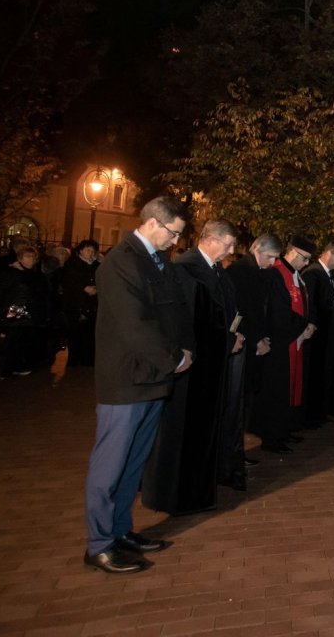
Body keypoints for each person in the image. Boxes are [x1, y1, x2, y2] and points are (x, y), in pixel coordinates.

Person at [82, 196, 193, 574]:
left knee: (132, 464)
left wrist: (183, 349)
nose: (175, 241)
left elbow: (173, 311)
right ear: (153, 223)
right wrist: (173, 358)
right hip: (127, 380)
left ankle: (120, 530)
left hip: (152, 378)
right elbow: (135, 325)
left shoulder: (157, 260)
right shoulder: (120, 262)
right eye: (173, 233)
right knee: (109, 467)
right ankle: (98, 544)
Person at [143, 219, 241, 516]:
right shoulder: (187, 269)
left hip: (211, 367)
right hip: (193, 369)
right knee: (183, 432)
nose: (232, 250)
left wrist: (232, 334)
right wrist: (226, 339)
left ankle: (200, 489)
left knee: (205, 429)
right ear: (211, 240)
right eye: (228, 244)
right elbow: (191, 323)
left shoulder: (213, 269)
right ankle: (179, 496)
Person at [252, 235, 314, 455]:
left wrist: (307, 325)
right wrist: (301, 326)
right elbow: (279, 311)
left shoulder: (295, 274)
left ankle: (285, 429)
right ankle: (272, 436)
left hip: (293, 339)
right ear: (295, 253)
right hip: (279, 342)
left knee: (290, 387)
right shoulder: (277, 273)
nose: (306, 264)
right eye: (304, 258)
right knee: (276, 390)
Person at [228, 233, 281, 466]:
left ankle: (239, 450)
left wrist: (264, 337)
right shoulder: (240, 272)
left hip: (257, 344)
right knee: (237, 403)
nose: (272, 263)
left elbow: (263, 309)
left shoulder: (263, 272)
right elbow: (242, 311)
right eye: (270, 257)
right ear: (257, 249)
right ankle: (233, 452)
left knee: (247, 400)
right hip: (244, 346)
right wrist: (257, 338)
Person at [301, 242, 334, 425]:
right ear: (328, 253)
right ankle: (312, 415)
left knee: (325, 372)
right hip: (318, 335)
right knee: (315, 374)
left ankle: (320, 411)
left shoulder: (329, 274)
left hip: (328, 333)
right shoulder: (313, 273)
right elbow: (313, 306)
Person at [0, 246, 50, 378]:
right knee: (13, 341)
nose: (31, 260)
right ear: (20, 258)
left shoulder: (35, 274)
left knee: (24, 340)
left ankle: (18, 365)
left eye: (33, 257)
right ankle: (8, 370)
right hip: (15, 311)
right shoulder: (10, 273)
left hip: (30, 312)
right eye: (27, 257)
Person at [61, 239, 100, 367]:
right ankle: (73, 360)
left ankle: (87, 359)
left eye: (93, 251)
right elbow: (69, 281)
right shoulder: (72, 264)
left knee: (89, 334)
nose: (90, 253)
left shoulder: (96, 265)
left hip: (92, 304)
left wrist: (97, 288)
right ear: (81, 251)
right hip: (76, 304)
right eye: (88, 250)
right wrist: (84, 287)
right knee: (75, 333)